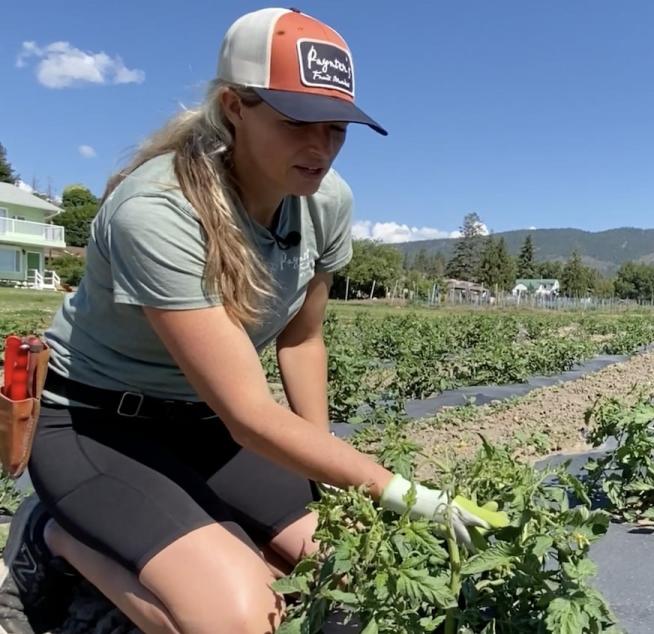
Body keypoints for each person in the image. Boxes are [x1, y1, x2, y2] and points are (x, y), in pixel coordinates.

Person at [0, 8, 507, 634]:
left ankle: (202, 540)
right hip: (95, 425)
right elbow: (249, 412)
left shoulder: (326, 202)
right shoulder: (159, 210)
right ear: (235, 105)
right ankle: (53, 539)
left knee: (351, 575)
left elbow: (303, 338)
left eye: (337, 128)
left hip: (202, 424)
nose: (321, 148)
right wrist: (404, 491)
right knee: (245, 616)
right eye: (297, 122)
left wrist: (326, 477)